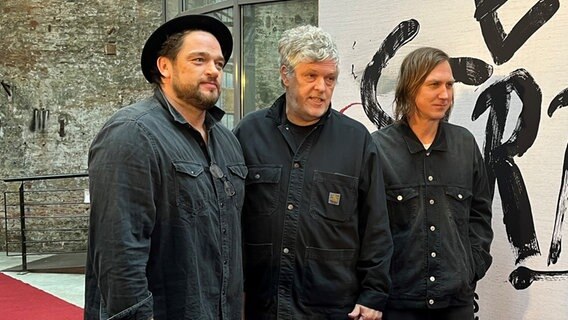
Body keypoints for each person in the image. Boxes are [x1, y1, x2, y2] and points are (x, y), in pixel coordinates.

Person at [84, 14, 247, 320]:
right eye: (199, 60)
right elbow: (120, 256)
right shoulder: (131, 134)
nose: (213, 70)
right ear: (164, 67)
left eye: (219, 63)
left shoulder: (228, 142)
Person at [233, 25, 393, 320]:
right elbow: (231, 221)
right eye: (311, 76)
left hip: (332, 309)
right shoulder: (248, 134)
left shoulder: (356, 140)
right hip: (261, 307)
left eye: (329, 78)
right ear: (285, 74)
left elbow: (376, 227)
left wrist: (374, 295)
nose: (321, 87)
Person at [371, 47, 493, 320]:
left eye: (449, 85)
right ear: (410, 88)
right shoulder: (378, 148)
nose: (445, 94)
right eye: (434, 85)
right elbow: (366, 227)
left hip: (456, 302)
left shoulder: (465, 145)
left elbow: (481, 214)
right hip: (398, 303)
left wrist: (472, 265)